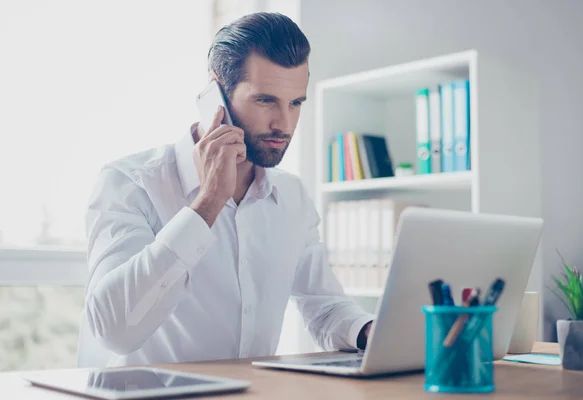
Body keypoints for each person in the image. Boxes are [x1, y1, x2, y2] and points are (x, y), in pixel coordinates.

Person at [78, 12, 374, 368]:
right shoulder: (129, 183)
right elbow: (114, 332)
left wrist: (371, 331)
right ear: (215, 94)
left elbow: (324, 306)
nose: (284, 123)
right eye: (266, 100)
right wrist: (208, 202)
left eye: (296, 103)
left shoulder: (291, 197)